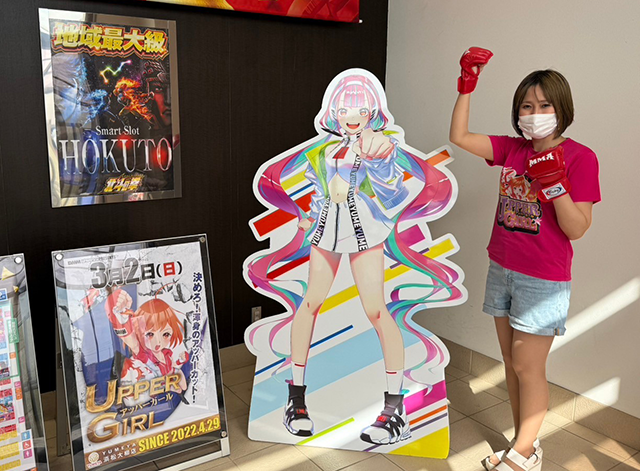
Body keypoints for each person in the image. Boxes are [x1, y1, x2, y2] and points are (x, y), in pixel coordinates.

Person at [246, 70, 464, 446]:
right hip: (326, 233)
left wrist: (382, 159)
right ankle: (296, 399)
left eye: (361, 109)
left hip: (366, 233)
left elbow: (392, 192)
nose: (352, 116)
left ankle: (394, 409)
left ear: (371, 113)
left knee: (377, 311)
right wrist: (310, 211)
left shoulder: (380, 145)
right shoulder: (324, 151)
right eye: (346, 109)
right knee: (309, 304)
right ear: (335, 112)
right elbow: (316, 188)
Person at [449, 48, 601, 471]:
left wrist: (555, 185)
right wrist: (466, 85)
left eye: (545, 105)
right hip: (502, 268)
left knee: (528, 366)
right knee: (512, 366)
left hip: (543, 278)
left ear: (562, 109)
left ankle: (524, 452)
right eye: (527, 107)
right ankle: (524, 447)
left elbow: (577, 228)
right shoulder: (513, 149)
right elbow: (460, 136)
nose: (535, 114)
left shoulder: (580, 157)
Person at [106, 288, 189, 402]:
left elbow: (173, 365)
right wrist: (120, 318)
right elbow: (129, 339)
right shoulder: (144, 354)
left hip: (170, 378)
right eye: (150, 334)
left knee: (182, 386)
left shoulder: (166, 353)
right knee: (177, 389)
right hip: (157, 388)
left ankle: (182, 397)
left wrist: (181, 360)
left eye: (165, 334)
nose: (158, 342)